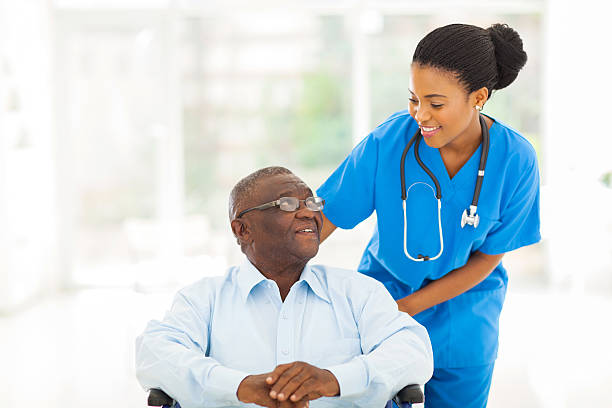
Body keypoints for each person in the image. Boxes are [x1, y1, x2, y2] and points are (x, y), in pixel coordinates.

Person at [317, 23, 540, 407]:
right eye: (413, 99)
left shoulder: (515, 160)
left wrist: (409, 308)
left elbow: (488, 257)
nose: (421, 115)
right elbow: (324, 219)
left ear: (479, 97)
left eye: (436, 104)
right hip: (383, 307)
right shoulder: (387, 143)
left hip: (465, 317)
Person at [135, 166, 433, 408]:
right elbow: (155, 353)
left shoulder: (358, 292)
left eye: (312, 202)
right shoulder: (203, 298)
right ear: (242, 229)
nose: (308, 213)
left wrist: (332, 380)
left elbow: (413, 351)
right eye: (288, 204)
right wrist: (241, 387)